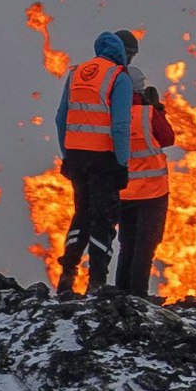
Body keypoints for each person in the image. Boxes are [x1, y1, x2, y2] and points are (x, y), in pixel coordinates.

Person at [53, 29, 138, 294]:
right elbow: (121, 125)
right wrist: (122, 163)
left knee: (82, 214)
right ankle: (96, 283)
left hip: (76, 157)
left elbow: (60, 118)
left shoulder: (76, 73)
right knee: (104, 218)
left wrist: (67, 155)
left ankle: (67, 277)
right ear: (124, 53)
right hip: (103, 159)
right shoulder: (118, 77)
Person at [113, 71, 175, 297]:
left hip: (123, 191)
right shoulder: (148, 114)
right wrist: (159, 111)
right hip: (152, 192)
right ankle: (139, 295)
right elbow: (168, 138)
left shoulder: (111, 113)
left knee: (126, 244)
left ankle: (122, 293)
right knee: (145, 246)